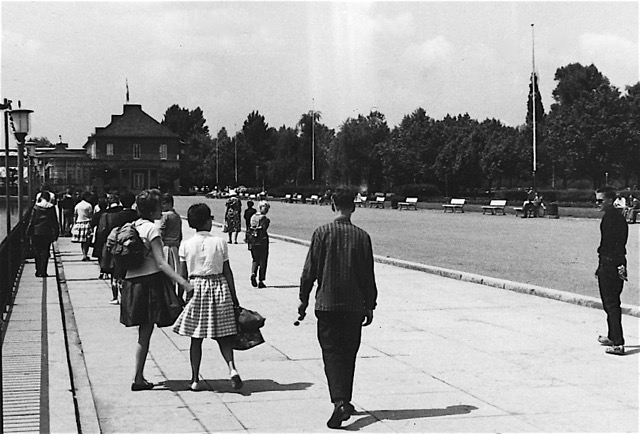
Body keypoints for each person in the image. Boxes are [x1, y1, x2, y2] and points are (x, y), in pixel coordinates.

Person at [298, 186, 378, 429]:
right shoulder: (362, 237)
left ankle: (340, 401)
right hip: (354, 306)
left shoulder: (322, 233)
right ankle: (345, 399)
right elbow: (368, 276)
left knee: (332, 354)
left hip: (327, 303)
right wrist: (370, 304)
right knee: (348, 353)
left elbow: (309, 270)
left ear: (333, 205)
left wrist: (303, 299)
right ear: (353, 207)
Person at [120, 189, 192, 391]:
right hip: (148, 283)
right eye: (159, 204)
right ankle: (138, 377)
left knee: (144, 332)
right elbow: (161, 263)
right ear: (152, 209)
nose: (162, 207)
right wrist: (183, 282)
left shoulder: (133, 226)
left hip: (131, 282)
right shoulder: (152, 229)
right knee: (145, 332)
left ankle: (139, 376)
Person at [172, 203, 243, 391]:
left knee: (196, 337)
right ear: (207, 221)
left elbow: (182, 274)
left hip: (196, 288)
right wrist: (234, 297)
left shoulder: (186, 245)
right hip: (219, 286)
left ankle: (195, 379)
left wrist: (181, 296)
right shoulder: (220, 242)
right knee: (224, 335)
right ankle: (232, 369)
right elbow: (227, 271)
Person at [594, 186, 628, 356]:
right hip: (613, 263)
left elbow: (613, 246)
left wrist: (612, 266)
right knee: (610, 303)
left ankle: (618, 343)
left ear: (610, 200)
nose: (597, 203)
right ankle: (612, 335)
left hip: (610, 264)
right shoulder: (614, 216)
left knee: (612, 303)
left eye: (600, 200)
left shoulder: (611, 218)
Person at [104, 191, 138, 304]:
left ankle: (116, 297)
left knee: (117, 274)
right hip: (133, 245)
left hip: (118, 247)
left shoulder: (117, 216)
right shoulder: (137, 214)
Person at [26, 190, 60, 278]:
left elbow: (32, 221)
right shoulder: (51, 208)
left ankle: (38, 270)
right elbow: (55, 222)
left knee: (37, 251)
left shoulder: (36, 207)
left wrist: (28, 232)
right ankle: (44, 271)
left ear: (41, 197)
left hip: (36, 232)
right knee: (45, 251)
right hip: (47, 232)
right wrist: (56, 233)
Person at [93, 192, 122, 278]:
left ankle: (104, 271)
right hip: (119, 236)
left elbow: (101, 229)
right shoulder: (122, 212)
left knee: (104, 255)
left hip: (106, 237)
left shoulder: (105, 214)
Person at [160, 193, 183, 298]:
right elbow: (180, 234)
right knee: (177, 272)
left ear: (169, 204)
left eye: (164, 204)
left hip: (167, 247)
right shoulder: (177, 216)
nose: (162, 206)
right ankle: (178, 296)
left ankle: (170, 296)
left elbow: (162, 232)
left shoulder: (166, 216)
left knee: (167, 275)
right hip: (176, 247)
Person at [248, 201, 270, 288]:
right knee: (263, 261)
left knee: (255, 259)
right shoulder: (264, 218)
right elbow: (264, 229)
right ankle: (261, 280)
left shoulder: (253, 217)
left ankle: (253, 273)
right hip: (262, 241)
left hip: (253, 240)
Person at [71, 191, 94, 261]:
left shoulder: (77, 205)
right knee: (87, 241)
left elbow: (75, 216)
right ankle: (85, 254)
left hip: (79, 223)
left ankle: (84, 254)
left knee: (82, 241)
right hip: (87, 223)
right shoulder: (89, 205)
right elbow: (90, 215)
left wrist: (74, 224)